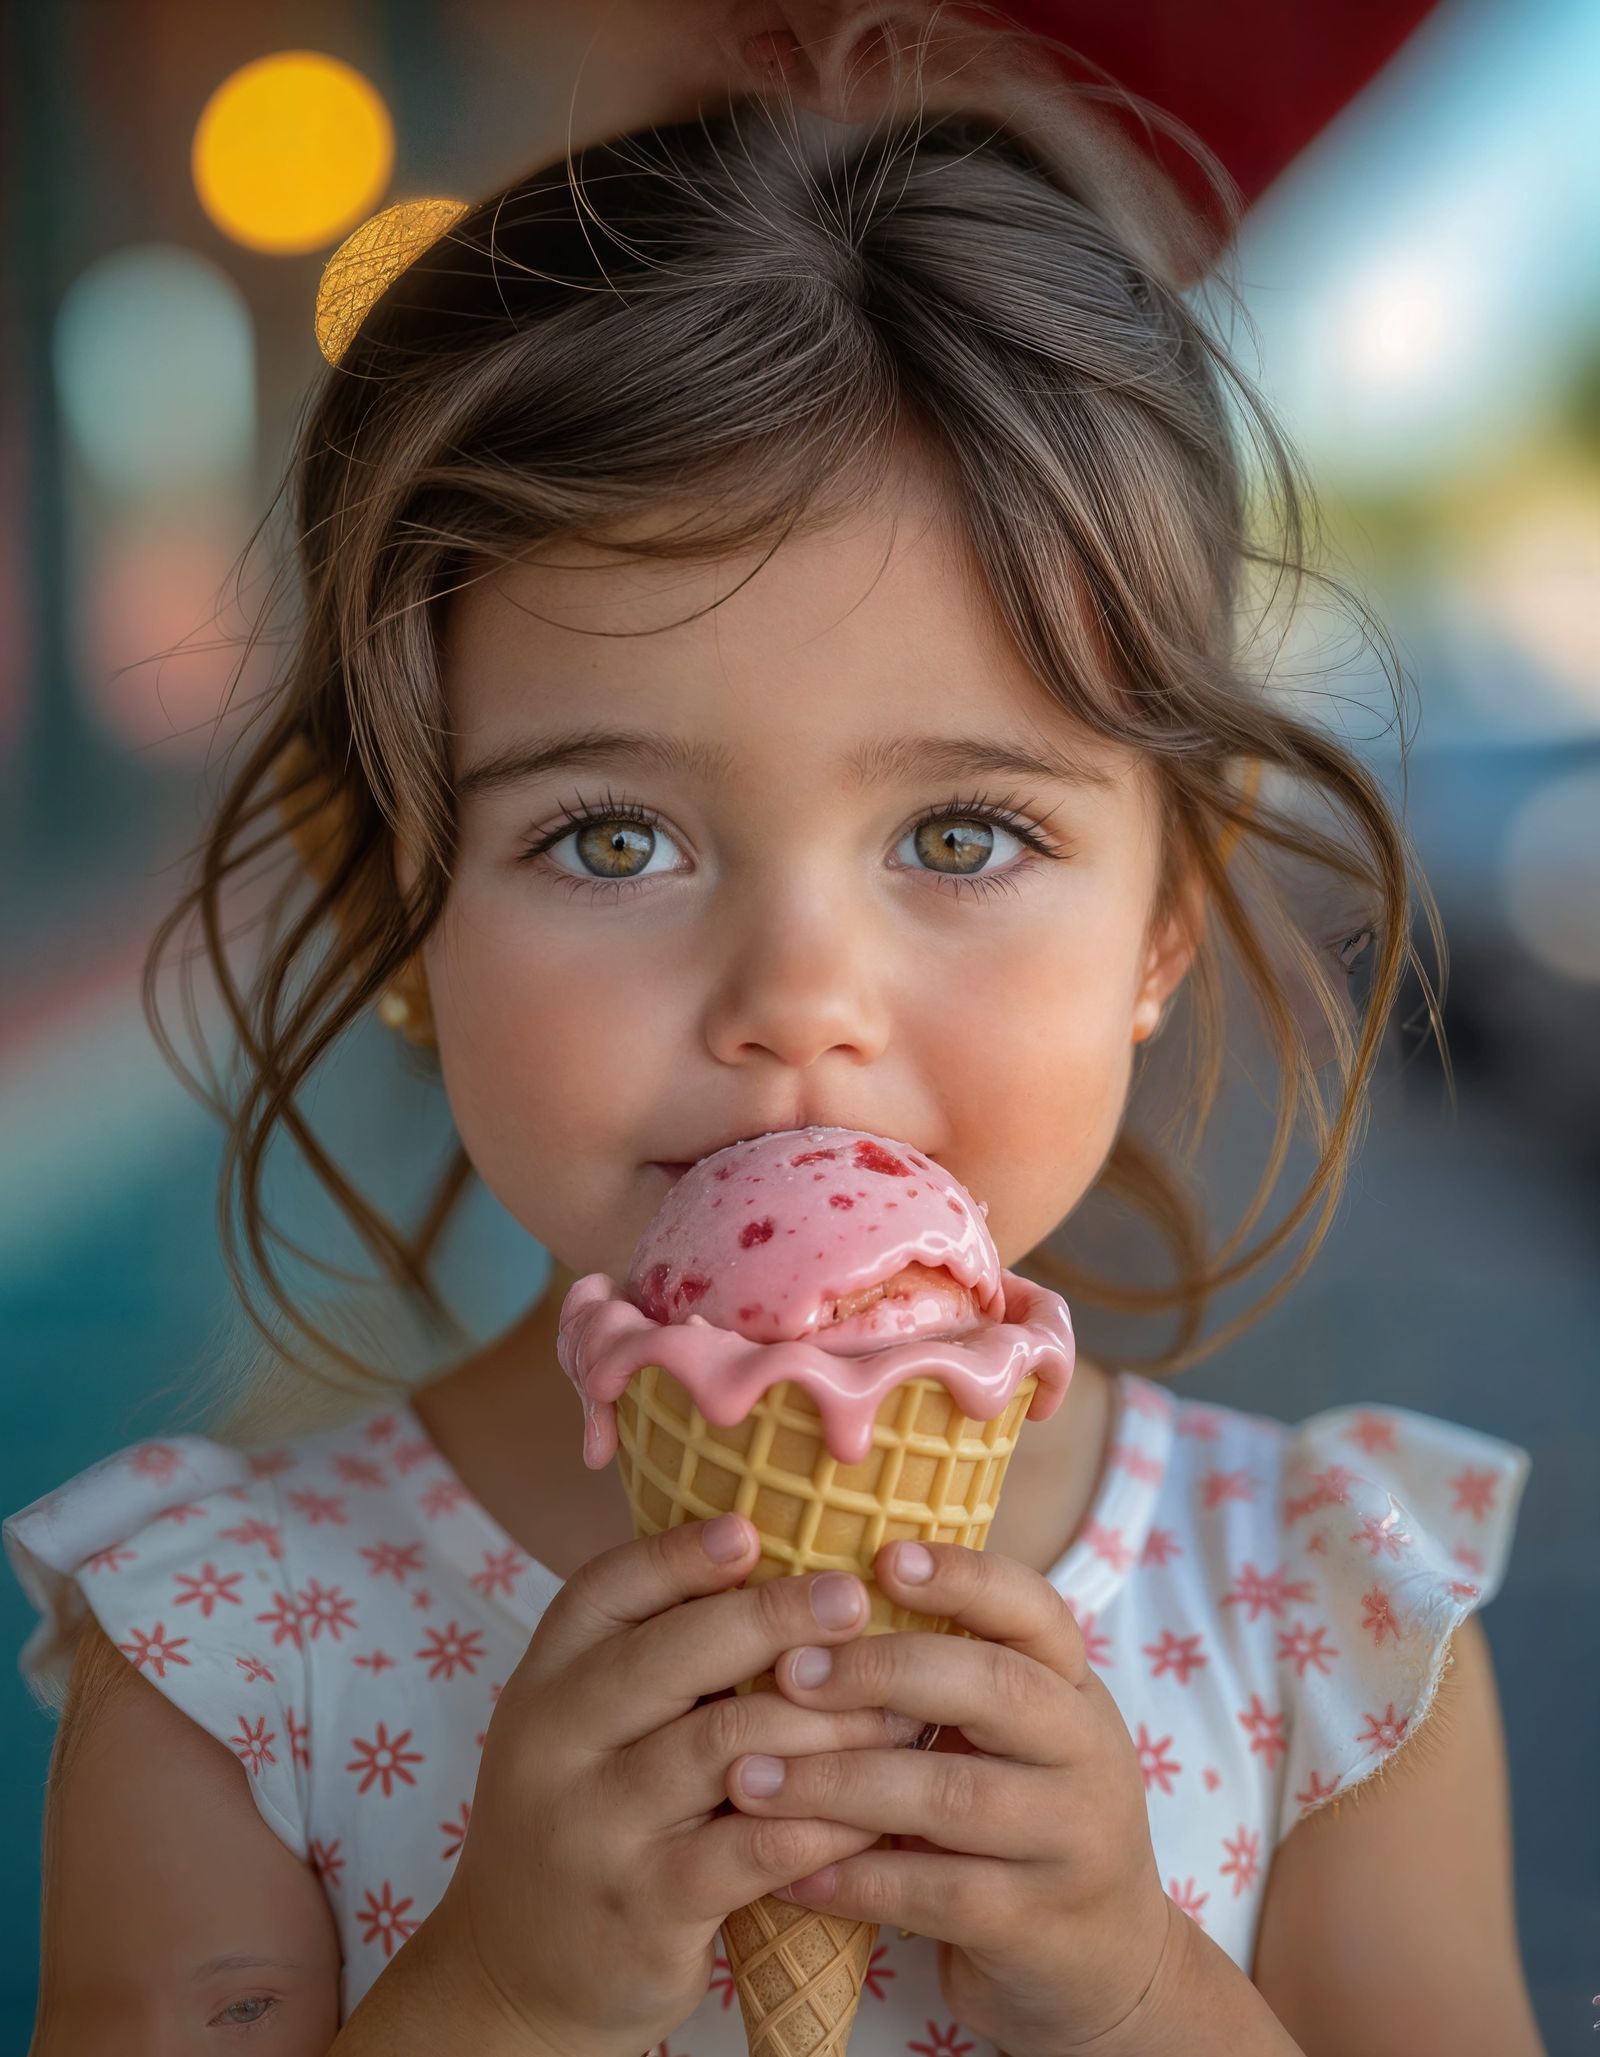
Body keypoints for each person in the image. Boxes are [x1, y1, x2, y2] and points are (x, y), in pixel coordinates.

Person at [4, 7, 1545, 2054]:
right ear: (397, 903)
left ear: (1161, 918)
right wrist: (507, 1999)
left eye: (963, 831)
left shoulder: (1332, 1627)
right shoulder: (226, 1651)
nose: (797, 1001)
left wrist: (1139, 1981)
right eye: (612, 834)